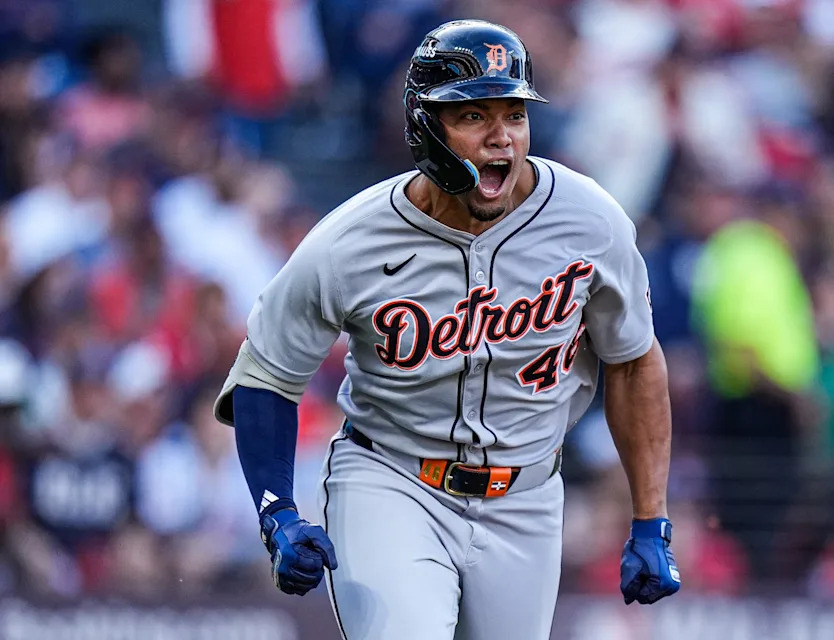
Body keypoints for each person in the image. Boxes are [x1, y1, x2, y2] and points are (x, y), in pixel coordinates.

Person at [214, 19, 681, 640]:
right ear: (423, 124)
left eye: (514, 114)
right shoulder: (349, 241)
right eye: (472, 116)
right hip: (393, 480)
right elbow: (267, 374)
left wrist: (652, 519)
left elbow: (633, 359)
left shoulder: (590, 220)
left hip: (528, 495)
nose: (500, 138)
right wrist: (277, 511)